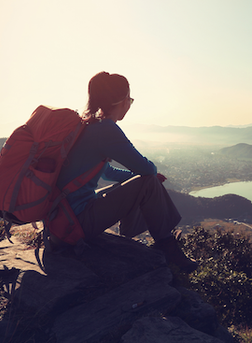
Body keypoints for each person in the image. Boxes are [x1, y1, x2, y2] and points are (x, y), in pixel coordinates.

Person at [55, 71, 197, 273]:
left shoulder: (88, 125)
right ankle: (168, 246)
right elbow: (147, 168)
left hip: (63, 215)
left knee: (144, 181)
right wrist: (148, 178)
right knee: (148, 181)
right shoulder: (105, 129)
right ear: (121, 101)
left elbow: (109, 173)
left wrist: (139, 180)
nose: (129, 104)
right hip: (75, 222)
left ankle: (141, 239)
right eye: (129, 99)